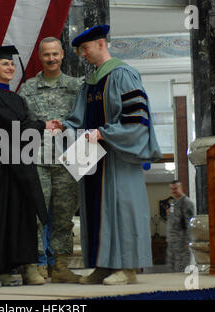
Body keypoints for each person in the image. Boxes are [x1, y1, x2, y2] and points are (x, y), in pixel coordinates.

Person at [62, 25, 162, 285]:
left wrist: (106, 134)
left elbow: (136, 117)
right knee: (95, 212)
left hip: (118, 156)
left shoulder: (123, 75)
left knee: (122, 211)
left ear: (100, 44)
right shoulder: (91, 83)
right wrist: (63, 126)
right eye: (80, 50)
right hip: (92, 156)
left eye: (85, 49)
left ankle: (127, 268)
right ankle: (103, 266)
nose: (82, 54)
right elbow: (79, 118)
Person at [0, 45, 58, 288]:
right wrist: (41, 125)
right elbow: (10, 126)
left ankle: (7, 268)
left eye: (11, 64)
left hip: (13, 162)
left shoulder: (16, 97)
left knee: (16, 214)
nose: (10, 67)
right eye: (4, 64)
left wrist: (38, 126)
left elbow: (21, 128)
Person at [18, 37, 83, 283]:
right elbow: (22, 124)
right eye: (47, 55)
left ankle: (61, 266)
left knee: (64, 215)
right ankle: (35, 265)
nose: (52, 59)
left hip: (69, 159)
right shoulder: (28, 89)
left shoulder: (77, 86)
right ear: (40, 57)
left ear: (63, 55)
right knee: (36, 215)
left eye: (55, 54)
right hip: (37, 159)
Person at [166, 180, 195, 272]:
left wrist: (188, 240)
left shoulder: (186, 202)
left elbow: (189, 223)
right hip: (172, 241)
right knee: (171, 267)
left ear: (181, 188)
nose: (173, 191)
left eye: (175, 188)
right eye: (171, 189)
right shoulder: (173, 203)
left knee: (181, 268)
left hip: (181, 241)